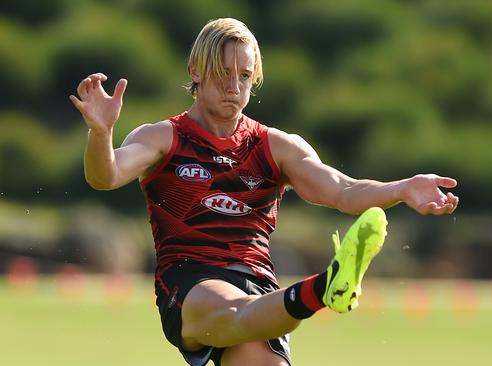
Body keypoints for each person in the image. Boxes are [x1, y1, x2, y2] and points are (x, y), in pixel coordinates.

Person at [70, 17, 459, 366]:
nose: (233, 86)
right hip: (190, 280)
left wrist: (403, 187)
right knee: (235, 314)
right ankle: (325, 287)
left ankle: (322, 288)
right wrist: (100, 133)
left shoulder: (275, 146)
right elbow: (105, 176)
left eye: (244, 75)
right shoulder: (163, 138)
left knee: (254, 331)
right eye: (223, 72)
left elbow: (342, 189)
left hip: (259, 284)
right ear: (195, 71)